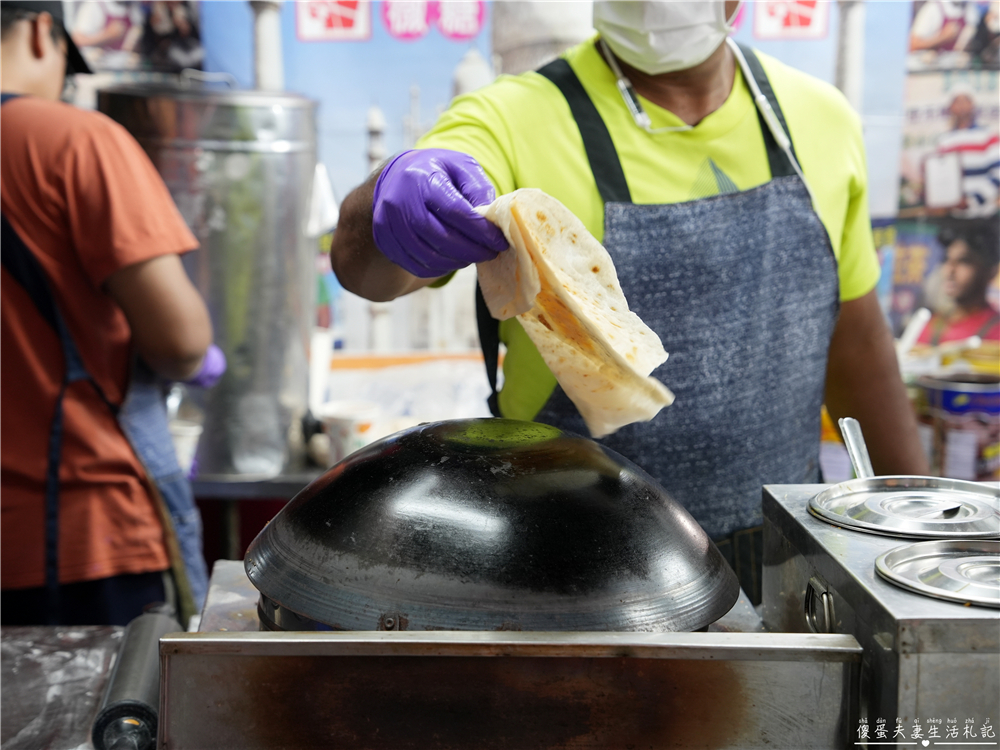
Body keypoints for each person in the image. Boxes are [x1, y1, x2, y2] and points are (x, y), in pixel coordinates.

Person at [329, 0, 929, 601]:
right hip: (566, 573)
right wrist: (387, 205)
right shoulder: (511, 118)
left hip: (782, 568)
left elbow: (855, 345)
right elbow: (367, 272)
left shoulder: (819, 119)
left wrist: (919, 533)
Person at [1, 1, 223, 626]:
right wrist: (195, 359)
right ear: (44, 30)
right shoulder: (73, 141)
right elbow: (180, 341)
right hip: (77, 533)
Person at [917, 220, 1000, 345]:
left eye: (964, 261)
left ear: (991, 271)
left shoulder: (995, 332)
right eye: (946, 259)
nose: (950, 270)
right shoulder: (930, 327)